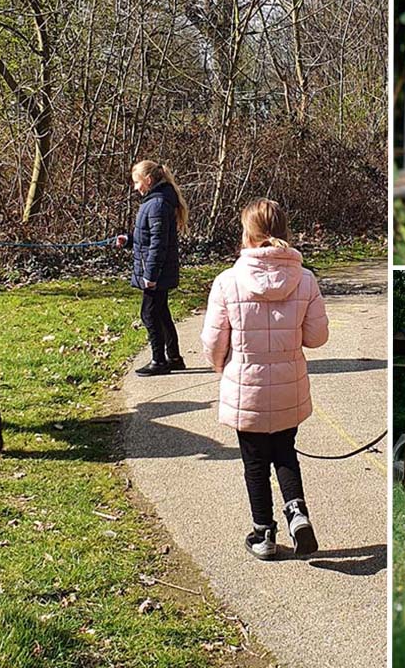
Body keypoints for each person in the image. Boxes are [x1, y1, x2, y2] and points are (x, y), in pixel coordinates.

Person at [200, 199, 329, 560]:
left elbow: (214, 341)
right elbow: (317, 337)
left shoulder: (228, 281)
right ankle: (297, 513)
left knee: (255, 462)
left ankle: (264, 533)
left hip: (246, 384)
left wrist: (218, 365)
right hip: (289, 384)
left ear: (248, 233)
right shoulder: (304, 279)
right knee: (286, 453)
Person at [114, 160, 189, 376]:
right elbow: (147, 237)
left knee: (148, 314)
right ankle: (174, 357)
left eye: (137, 182)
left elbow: (158, 244)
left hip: (155, 271)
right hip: (157, 269)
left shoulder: (157, 204)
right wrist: (128, 239)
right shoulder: (156, 201)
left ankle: (159, 361)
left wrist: (150, 275)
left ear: (148, 180)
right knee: (161, 312)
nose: (135, 187)